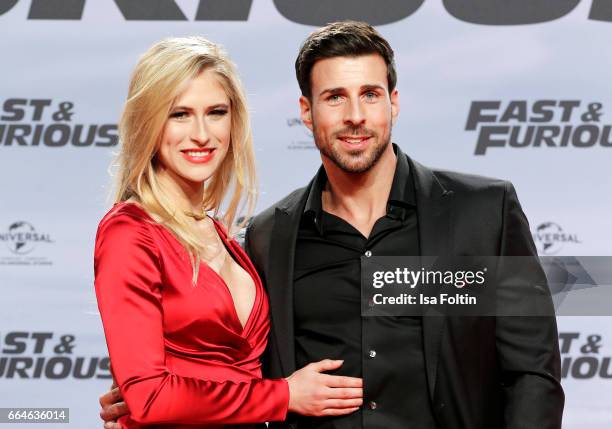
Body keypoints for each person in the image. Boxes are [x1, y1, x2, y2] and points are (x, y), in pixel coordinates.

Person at [101, 23, 564, 429]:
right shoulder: (269, 237)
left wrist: (158, 395)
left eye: (370, 94)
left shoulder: (483, 212)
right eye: (334, 97)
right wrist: (145, 397)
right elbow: (221, 359)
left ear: (393, 103)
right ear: (307, 111)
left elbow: (532, 370)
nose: (355, 116)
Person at [94, 36, 362, 429]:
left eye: (216, 112)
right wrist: (284, 395)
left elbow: (225, 370)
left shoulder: (221, 233)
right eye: (179, 114)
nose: (201, 134)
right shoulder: (130, 232)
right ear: (148, 122)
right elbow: (151, 397)